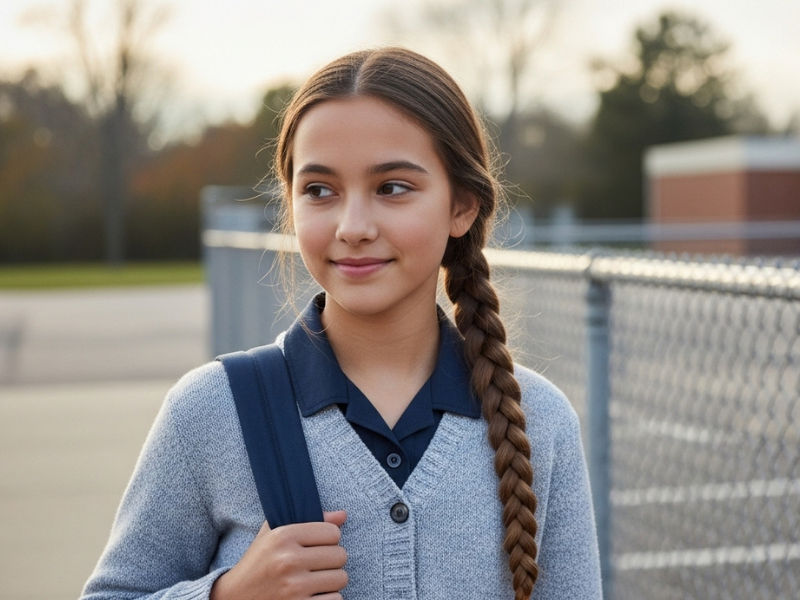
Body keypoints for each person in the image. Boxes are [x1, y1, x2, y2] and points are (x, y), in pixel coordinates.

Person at [81, 47, 601, 600]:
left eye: (392, 187)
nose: (353, 226)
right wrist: (228, 594)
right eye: (320, 190)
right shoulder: (210, 411)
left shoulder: (541, 422)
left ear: (462, 206)